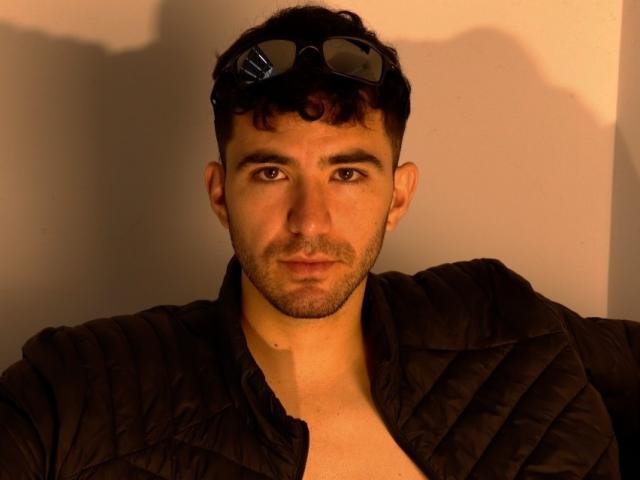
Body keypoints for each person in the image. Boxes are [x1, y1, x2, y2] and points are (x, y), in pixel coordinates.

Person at [0, 5, 638, 480]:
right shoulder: (80, 386)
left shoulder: (500, 316)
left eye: (347, 174)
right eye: (272, 173)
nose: (310, 221)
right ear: (220, 194)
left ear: (398, 197)